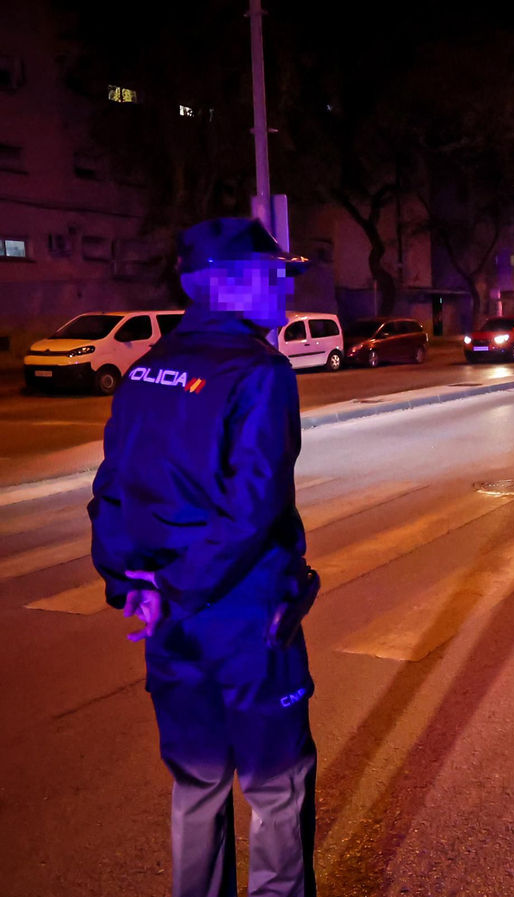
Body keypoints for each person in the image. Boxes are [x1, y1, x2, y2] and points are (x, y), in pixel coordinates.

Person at [89, 217, 320, 897]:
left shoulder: (144, 371)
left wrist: (135, 584)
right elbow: (253, 506)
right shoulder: (261, 372)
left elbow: (111, 490)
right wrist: (180, 586)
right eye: (271, 275)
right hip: (244, 616)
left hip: (169, 620)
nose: (284, 289)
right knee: (277, 786)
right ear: (223, 284)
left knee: (196, 781)